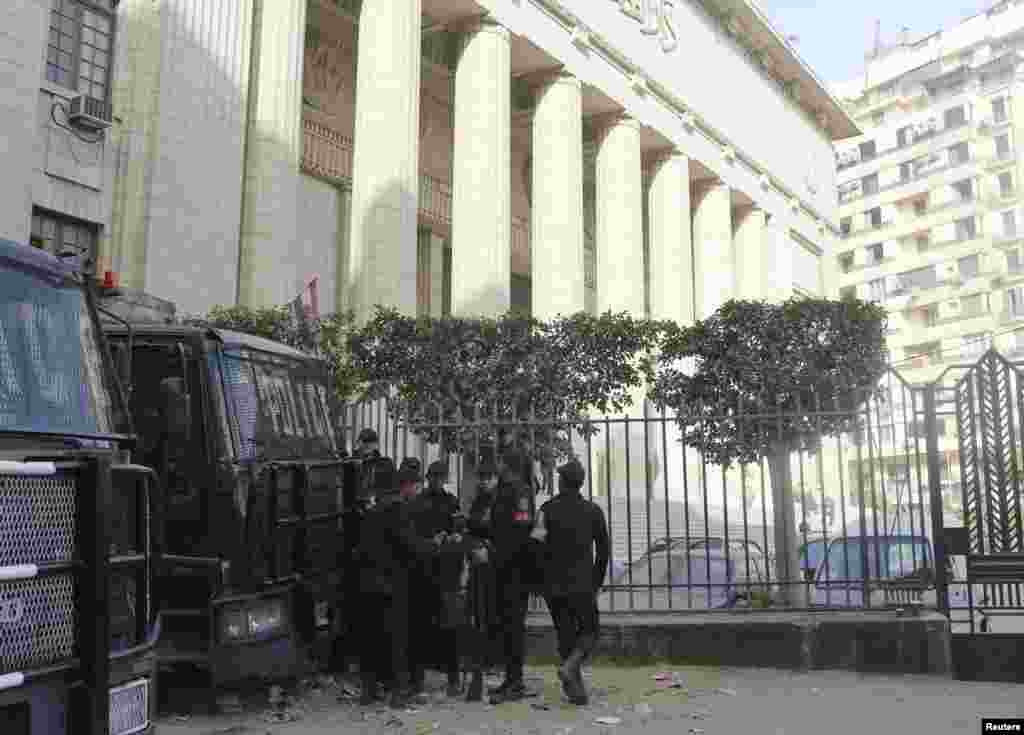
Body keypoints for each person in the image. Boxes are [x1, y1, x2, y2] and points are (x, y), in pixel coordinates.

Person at [355, 472, 438, 708]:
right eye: (416, 485)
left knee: (372, 638)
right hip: (392, 583)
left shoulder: (373, 510)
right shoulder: (398, 510)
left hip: (369, 582)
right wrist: (434, 546)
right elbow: (408, 544)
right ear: (406, 487)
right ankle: (399, 692)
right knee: (398, 639)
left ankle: (369, 690)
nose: (418, 490)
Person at [532, 458, 609, 706]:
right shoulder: (593, 511)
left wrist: (540, 580)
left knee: (565, 636)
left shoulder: (546, 510)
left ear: (561, 481)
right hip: (583, 584)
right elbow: (604, 551)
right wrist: (596, 581)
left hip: (553, 586)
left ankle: (574, 684)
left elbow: (536, 545)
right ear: (581, 484)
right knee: (590, 632)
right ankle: (573, 674)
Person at [487, 448, 540, 704]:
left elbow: (521, 528)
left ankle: (516, 682)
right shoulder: (505, 490)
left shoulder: (520, 492)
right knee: (506, 625)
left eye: (499, 461)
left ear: (507, 465)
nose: (496, 464)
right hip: (503, 566)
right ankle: (510, 679)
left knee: (514, 627)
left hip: (515, 569)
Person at [407, 460, 462, 697]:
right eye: (435, 477)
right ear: (429, 478)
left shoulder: (450, 501)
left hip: (445, 571)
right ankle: (419, 678)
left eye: (441, 478)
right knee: (422, 626)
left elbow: (459, 530)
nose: (438, 481)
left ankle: (452, 678)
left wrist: (451, 539)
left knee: (448, 627)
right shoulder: (419, 502)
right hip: (426, 571)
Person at [463, 457, 501, 701]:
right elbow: (473, 527)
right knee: (479, 613)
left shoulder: (500, 500)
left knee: (493, 613)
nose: (485, 481)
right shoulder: (480, 500)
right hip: (478, 563)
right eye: (482, 478)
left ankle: (492, 659)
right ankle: (481, 662)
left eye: (489, 477)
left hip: (495, 564)